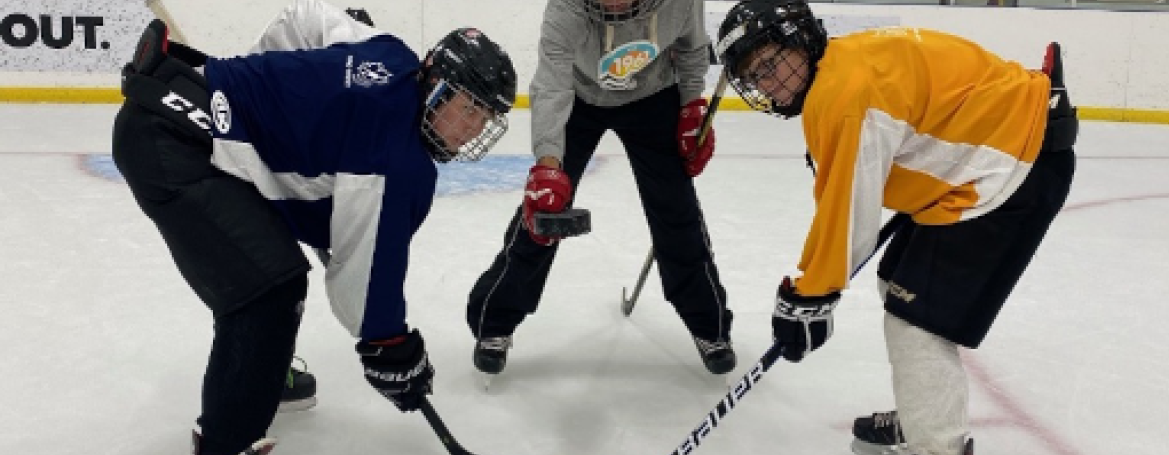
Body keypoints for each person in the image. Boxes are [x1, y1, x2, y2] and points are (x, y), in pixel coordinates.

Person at [110, 1, 517, 453]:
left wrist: (268, 90)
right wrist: (391, 345)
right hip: (172, 146)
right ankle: (226, 442)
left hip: (173, 102)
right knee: (267, 290)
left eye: (485, 118)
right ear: (437, 85)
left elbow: (303, 19)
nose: (471, 129)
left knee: (265, 263)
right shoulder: (396, 159)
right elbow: (365, 282)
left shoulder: (389, 54)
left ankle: (259, 372)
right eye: (468, 109)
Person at [714, 1, 1078, 454]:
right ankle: (924, 414)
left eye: (771, 64)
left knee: (916, 322)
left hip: (1009, 168)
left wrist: (810, 295)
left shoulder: (842, 95)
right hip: (997, 145)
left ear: (800, 41)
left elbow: (849, 213)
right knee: (897, 282)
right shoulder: (840, 63)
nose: (769, 84)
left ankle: (937, 445)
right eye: (754, 77)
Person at [466, 0, 737, 376]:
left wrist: (693, 108)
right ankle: (494, 323)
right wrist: (548, 165)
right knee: (543, 212)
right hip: (579, 98)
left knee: (677, 214)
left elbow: (692, 51)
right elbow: (551, 82)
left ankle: (711, 328)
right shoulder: (566, 9)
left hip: (654, 95)